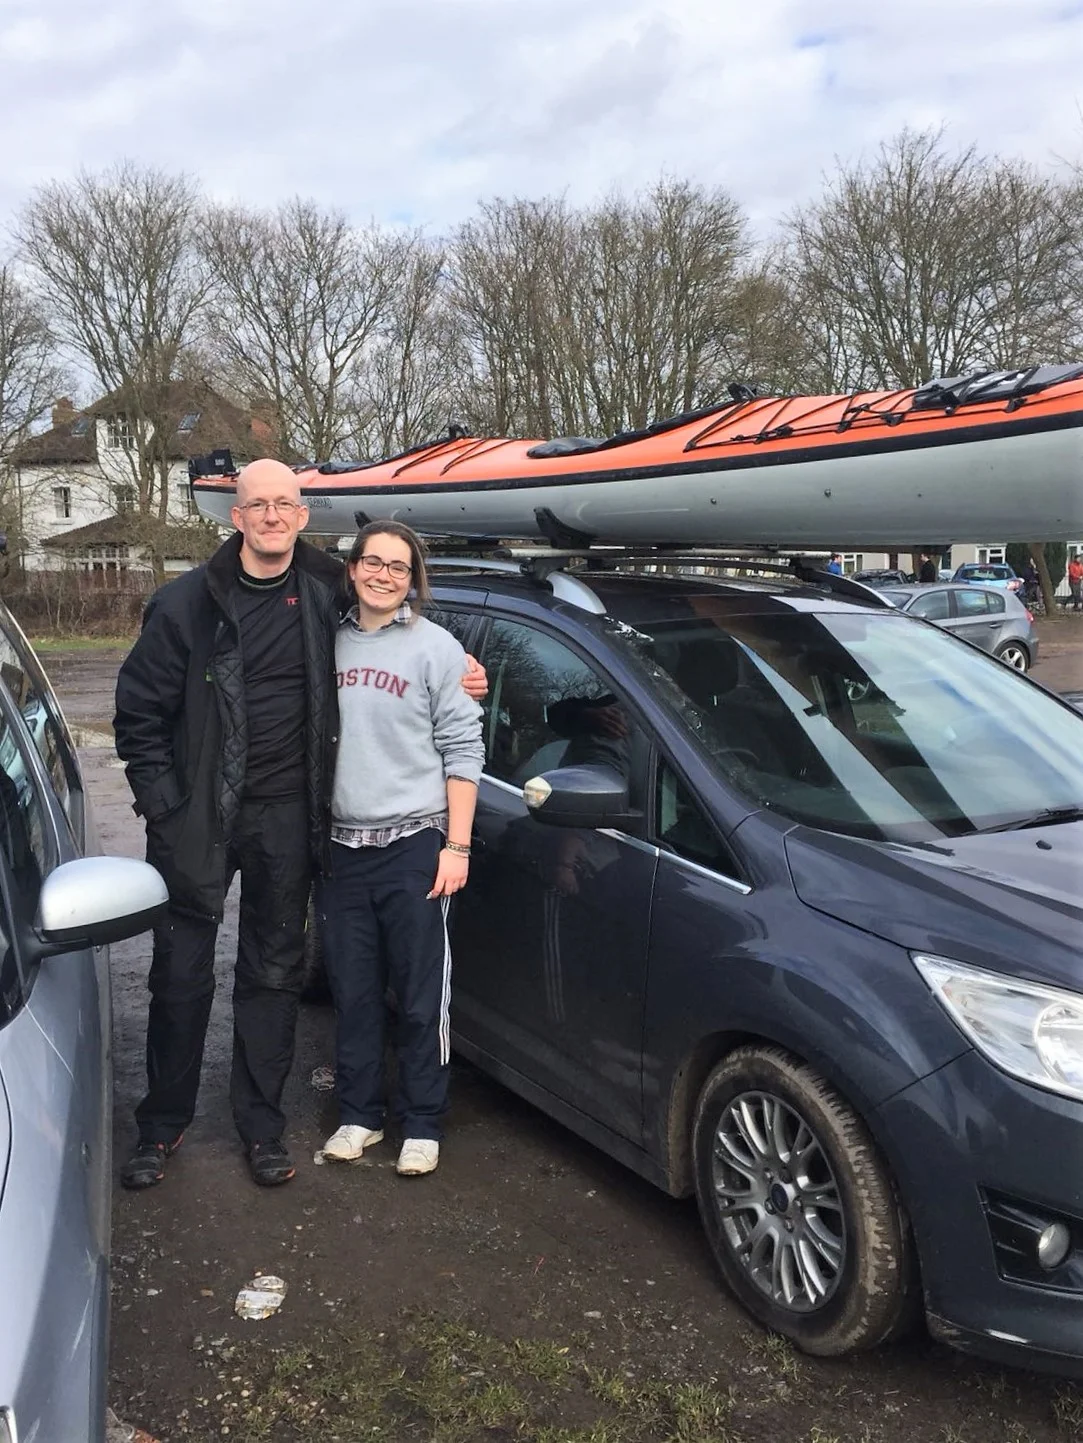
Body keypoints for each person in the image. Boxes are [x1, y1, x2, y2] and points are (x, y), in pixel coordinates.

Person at [112, 460, 486, 1190]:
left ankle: (261, 1127)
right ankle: (161, 1126)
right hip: (197, 821)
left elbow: (398, 623)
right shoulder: (185, 603)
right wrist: (165, 807)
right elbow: (138, 718)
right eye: (258, 504)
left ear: (303, 515)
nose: (272, 515)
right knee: (180, 976)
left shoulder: (324, 585)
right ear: (236, 517)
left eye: (285, 503)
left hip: (288, 816)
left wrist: (463, 668)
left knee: (272, 975)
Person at [316, 521, 484, 1177]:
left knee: (419, 996)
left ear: (413, 579)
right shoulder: (325, 641)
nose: (384, 575)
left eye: (398, 567)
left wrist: (457, 846)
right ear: (352, 568)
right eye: (373, 562)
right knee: (354, 993)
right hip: (340, 848)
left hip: (414, 844)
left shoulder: (436, 648)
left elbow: (463, 750)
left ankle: (421, 1122)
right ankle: (359, 1116)